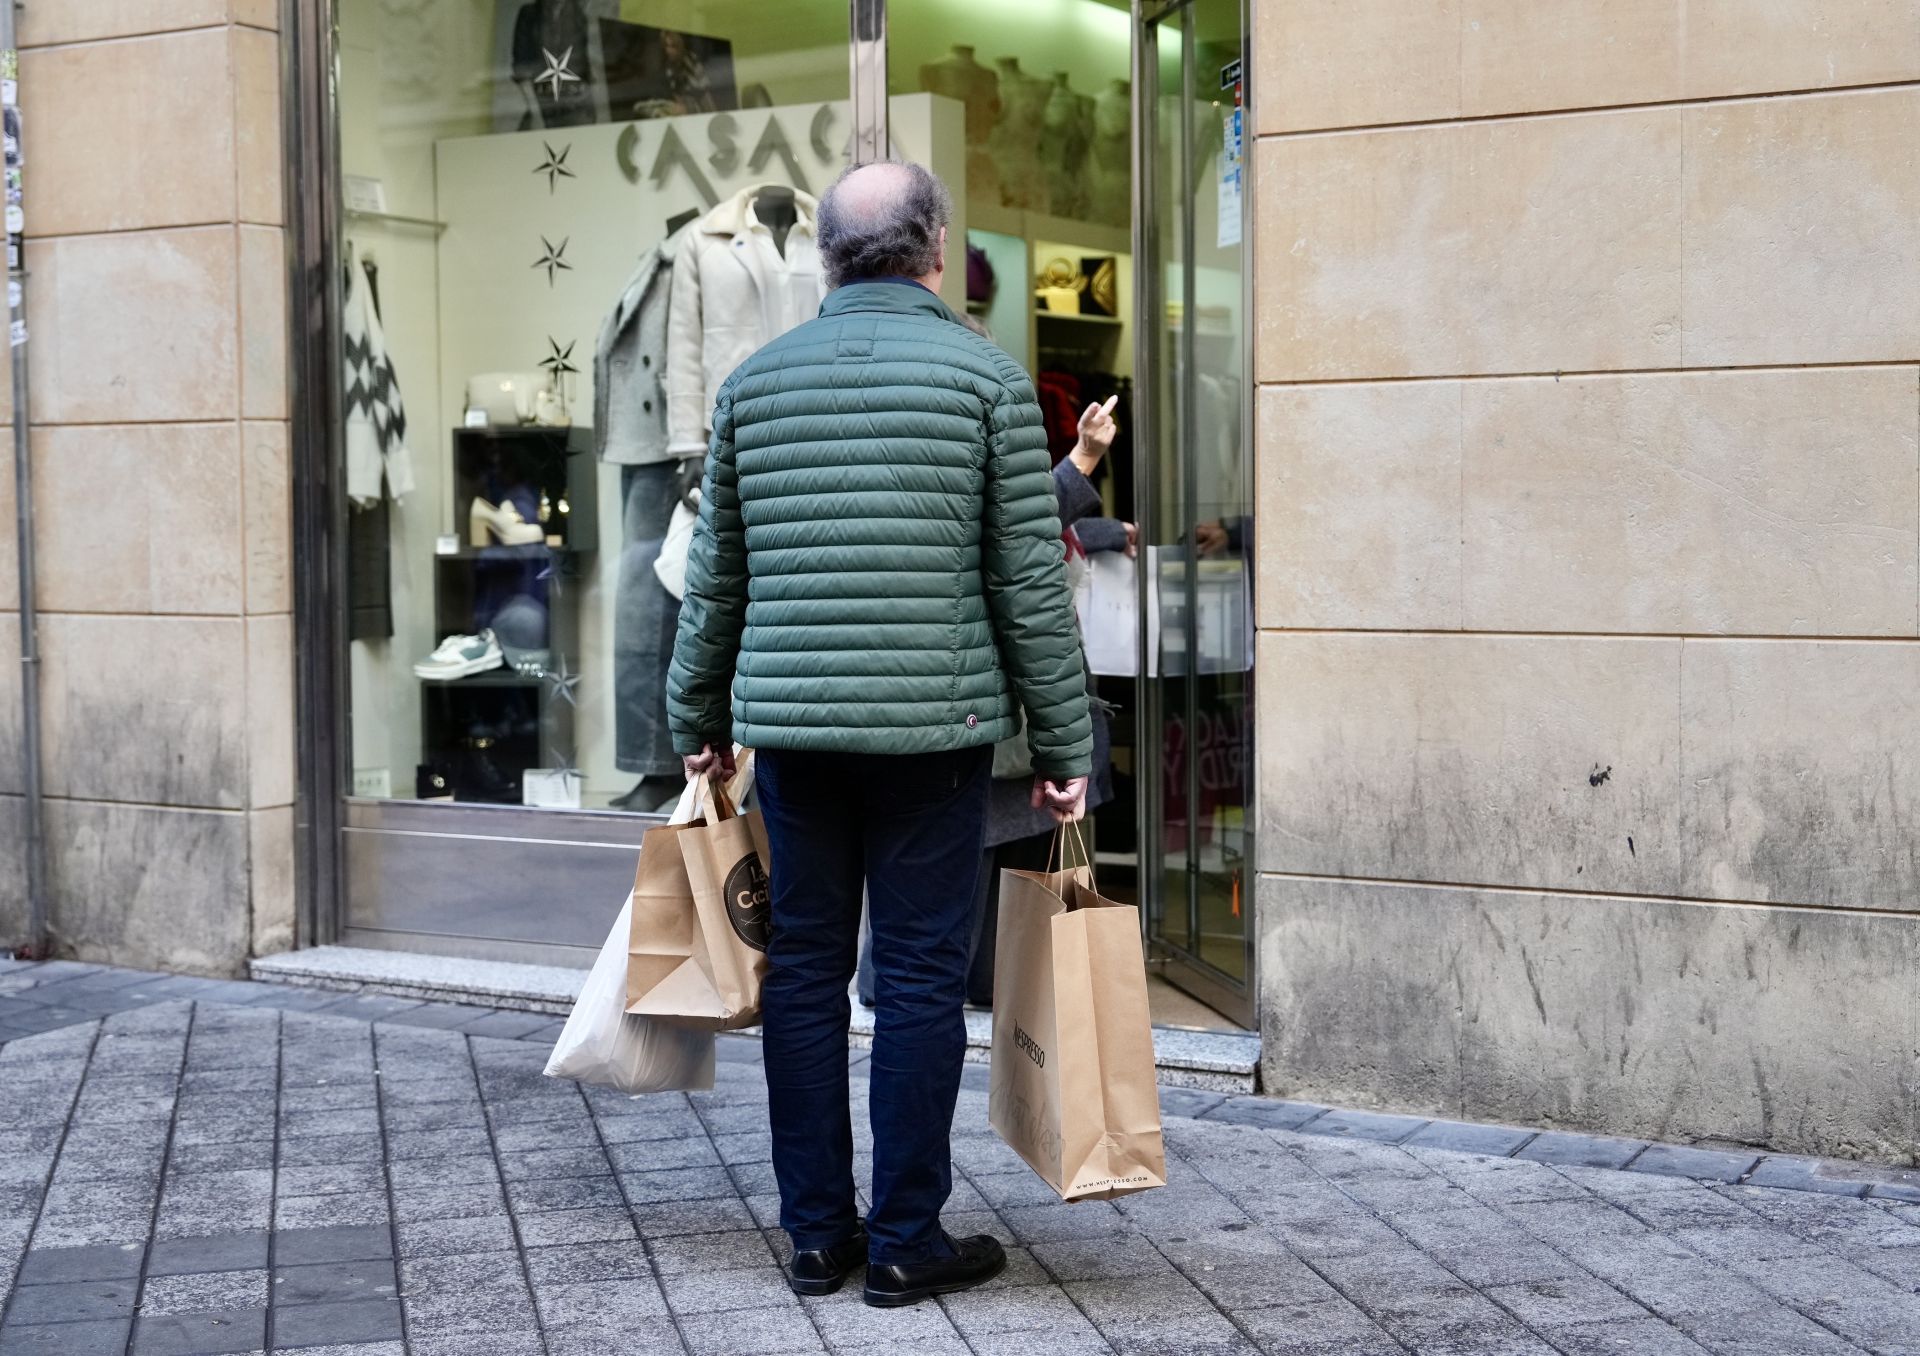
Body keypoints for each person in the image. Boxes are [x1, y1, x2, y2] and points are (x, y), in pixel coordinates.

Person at [665, 160, 1092, 1308]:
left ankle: (816, 1236)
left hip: (795, 743)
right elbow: (1028, 593)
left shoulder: (755, 387)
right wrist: (1064, 752)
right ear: (936, 250)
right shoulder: (985, 384)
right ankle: (906, 1239)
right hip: (932, 740)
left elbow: (717, 587)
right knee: (912, 977)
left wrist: (696, 724)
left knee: (803, 972)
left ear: (824, 257)